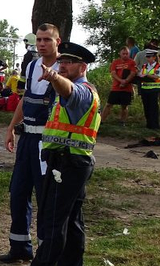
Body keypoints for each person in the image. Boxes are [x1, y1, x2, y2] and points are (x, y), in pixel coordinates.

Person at [31, 42, 100, 266]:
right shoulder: (68, 89)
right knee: (72, 220)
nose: (62, 66)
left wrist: (52, 76)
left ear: (83, 67)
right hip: (70, 162)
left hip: (68, 163)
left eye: (68, 62)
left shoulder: (83, 91)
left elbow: (70, 91)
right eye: (61, 61)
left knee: (53, 221)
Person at [0, 23, 61, 264]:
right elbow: (26, 99)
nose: (42, 44)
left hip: (47, 143)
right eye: (39, 40)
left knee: (45, 196)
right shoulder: (33, 65)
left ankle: (46, 253)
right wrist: (11, 128)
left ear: (58, 42)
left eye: (47, 40)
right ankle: (20, 247)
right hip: (27, 139)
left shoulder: (63, 68)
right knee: (18, 192)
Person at [101, 47, 136, 126]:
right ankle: (101, 120)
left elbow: (132, 73)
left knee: (124, 106)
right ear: (120, 54)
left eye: (126, 54)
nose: (125, 55)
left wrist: (125, 81)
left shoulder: (132, 62)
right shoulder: (115, 62)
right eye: (123, 53)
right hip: (116, 87)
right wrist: (121, 81)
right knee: (109, 104)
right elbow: (113, 73)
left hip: (127, 88)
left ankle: (122, 121)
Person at [138, 49, 160, 129]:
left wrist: (147, 75)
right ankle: (148, 125)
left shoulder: (158, 66)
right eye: (147, 57)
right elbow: (141, 74)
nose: (147, 58)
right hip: (145, 90)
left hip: (154, 90)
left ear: (154, 57)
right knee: (146, 108)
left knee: (153, 108)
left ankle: (155, 126)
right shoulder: (144, 66)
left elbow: (157, 76)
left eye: (149, 57)